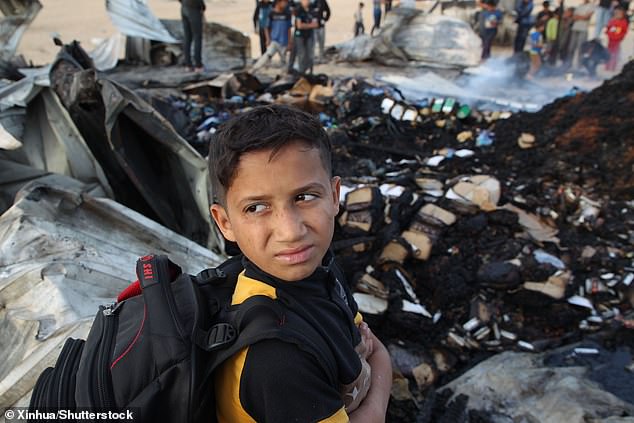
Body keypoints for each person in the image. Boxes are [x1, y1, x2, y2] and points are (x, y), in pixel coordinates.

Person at [209, 104, 393, 422]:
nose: (291, 232)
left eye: (304, 197)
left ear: (335, 196)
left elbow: (375, 348)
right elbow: (376, 359)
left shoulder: (320, 268)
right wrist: (375, 408)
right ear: (225, 222)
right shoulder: (277, 359)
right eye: (256, 207)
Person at [252, 0, 293, 73]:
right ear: (279, 2)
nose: (285, 4)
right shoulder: (271, 14)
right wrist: (268, 39)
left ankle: (284, 75)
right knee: (266, 56)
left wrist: (289, 42)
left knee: (284, 62)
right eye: (284, 2)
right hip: (275, 41)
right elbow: (266, 27)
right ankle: (253, 70)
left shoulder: (287, 14)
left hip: (283, 42)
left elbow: (289, 29)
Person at [179, 0, 206, 72]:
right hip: (194, 9)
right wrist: (202, 7)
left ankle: (188, 65)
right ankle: (198, 65)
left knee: (187, 38)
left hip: (184, 7)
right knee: (197, 38)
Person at [293, 0, 318, 74]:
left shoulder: (312, 10)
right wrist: (310, 25)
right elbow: (299, 25)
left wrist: (306, 25)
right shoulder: (298, 10)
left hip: (309, 35)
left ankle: (310, 71)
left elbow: (316, 24)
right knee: (301, 54)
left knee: (310, 55)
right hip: (300, 35)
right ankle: (301, 72)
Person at [568, 0, 595, 69]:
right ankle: (568, 64)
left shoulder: (591, 6)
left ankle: (579, 65)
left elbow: (587, 17)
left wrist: (579, 17)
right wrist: (582, 17)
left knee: (581, 48)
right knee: (571, 47)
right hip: (575, 28)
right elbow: (574, 17)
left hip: (583, 29)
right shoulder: (580, 6)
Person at [605, 6, 629, 70]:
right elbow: (608, 28)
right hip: (610, 39)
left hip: (617, 40)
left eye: (619, 14)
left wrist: (621, 37)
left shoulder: (623, 22)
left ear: (623, 14)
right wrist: (607, 33)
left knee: (615, 53)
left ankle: (613, 66)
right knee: (608, 52)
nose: (617, 15)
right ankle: (607, 65)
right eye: (616, 13)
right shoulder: (612, 21)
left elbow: (624, 31)